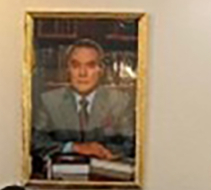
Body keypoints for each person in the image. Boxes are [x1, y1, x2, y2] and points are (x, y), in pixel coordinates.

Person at [30, 39, 136, 170]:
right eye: (75, 66)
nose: (82, 74)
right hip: (61, 176)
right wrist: (74, 147)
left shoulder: (120, 101)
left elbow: (131, 143)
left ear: (101, 70)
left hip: (105, 175)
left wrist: (100, 150)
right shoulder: (49, 100)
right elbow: (36, 141)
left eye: (90, 66)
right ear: (67, 69)